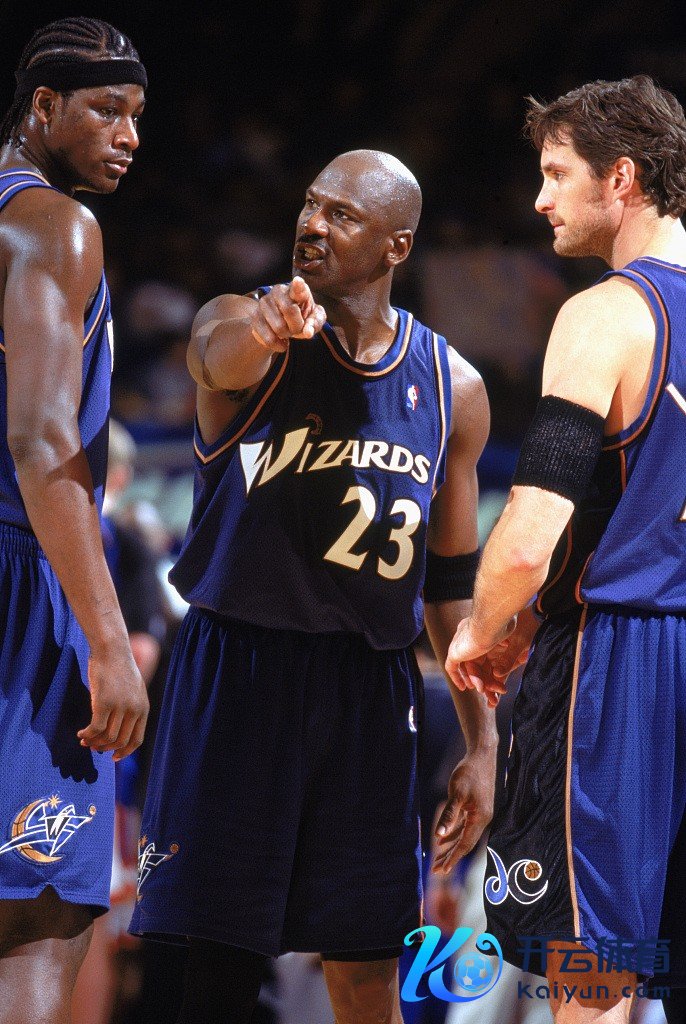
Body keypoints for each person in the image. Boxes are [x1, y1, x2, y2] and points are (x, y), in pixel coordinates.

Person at [130, 149, 499, 1024]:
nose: (313, 224)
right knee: (218, 968)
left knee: (367, 968)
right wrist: (264, 333)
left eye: (342, 214)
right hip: (239, 670)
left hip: (369, 689)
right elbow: (215, 358)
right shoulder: (246, 323)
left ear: (397, 244)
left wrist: (483, 742)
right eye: (310, 204)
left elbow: (450, 587)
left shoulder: (454, 387)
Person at [444, 76, 686, 1024]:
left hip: (620, 663)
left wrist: (482, 631)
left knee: (597, 970)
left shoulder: (606, 314)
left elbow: (528, 534)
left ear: (621, 178)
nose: (541, 198)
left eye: (556, 173)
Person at [0, 18, 149, 1024]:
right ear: (43, 107)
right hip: (23, 578)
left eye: (137, 114)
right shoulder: (56, 225)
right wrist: (106, 639)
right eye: (106, 109)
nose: (128, 134)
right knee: (37, 918)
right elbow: (44, 438)